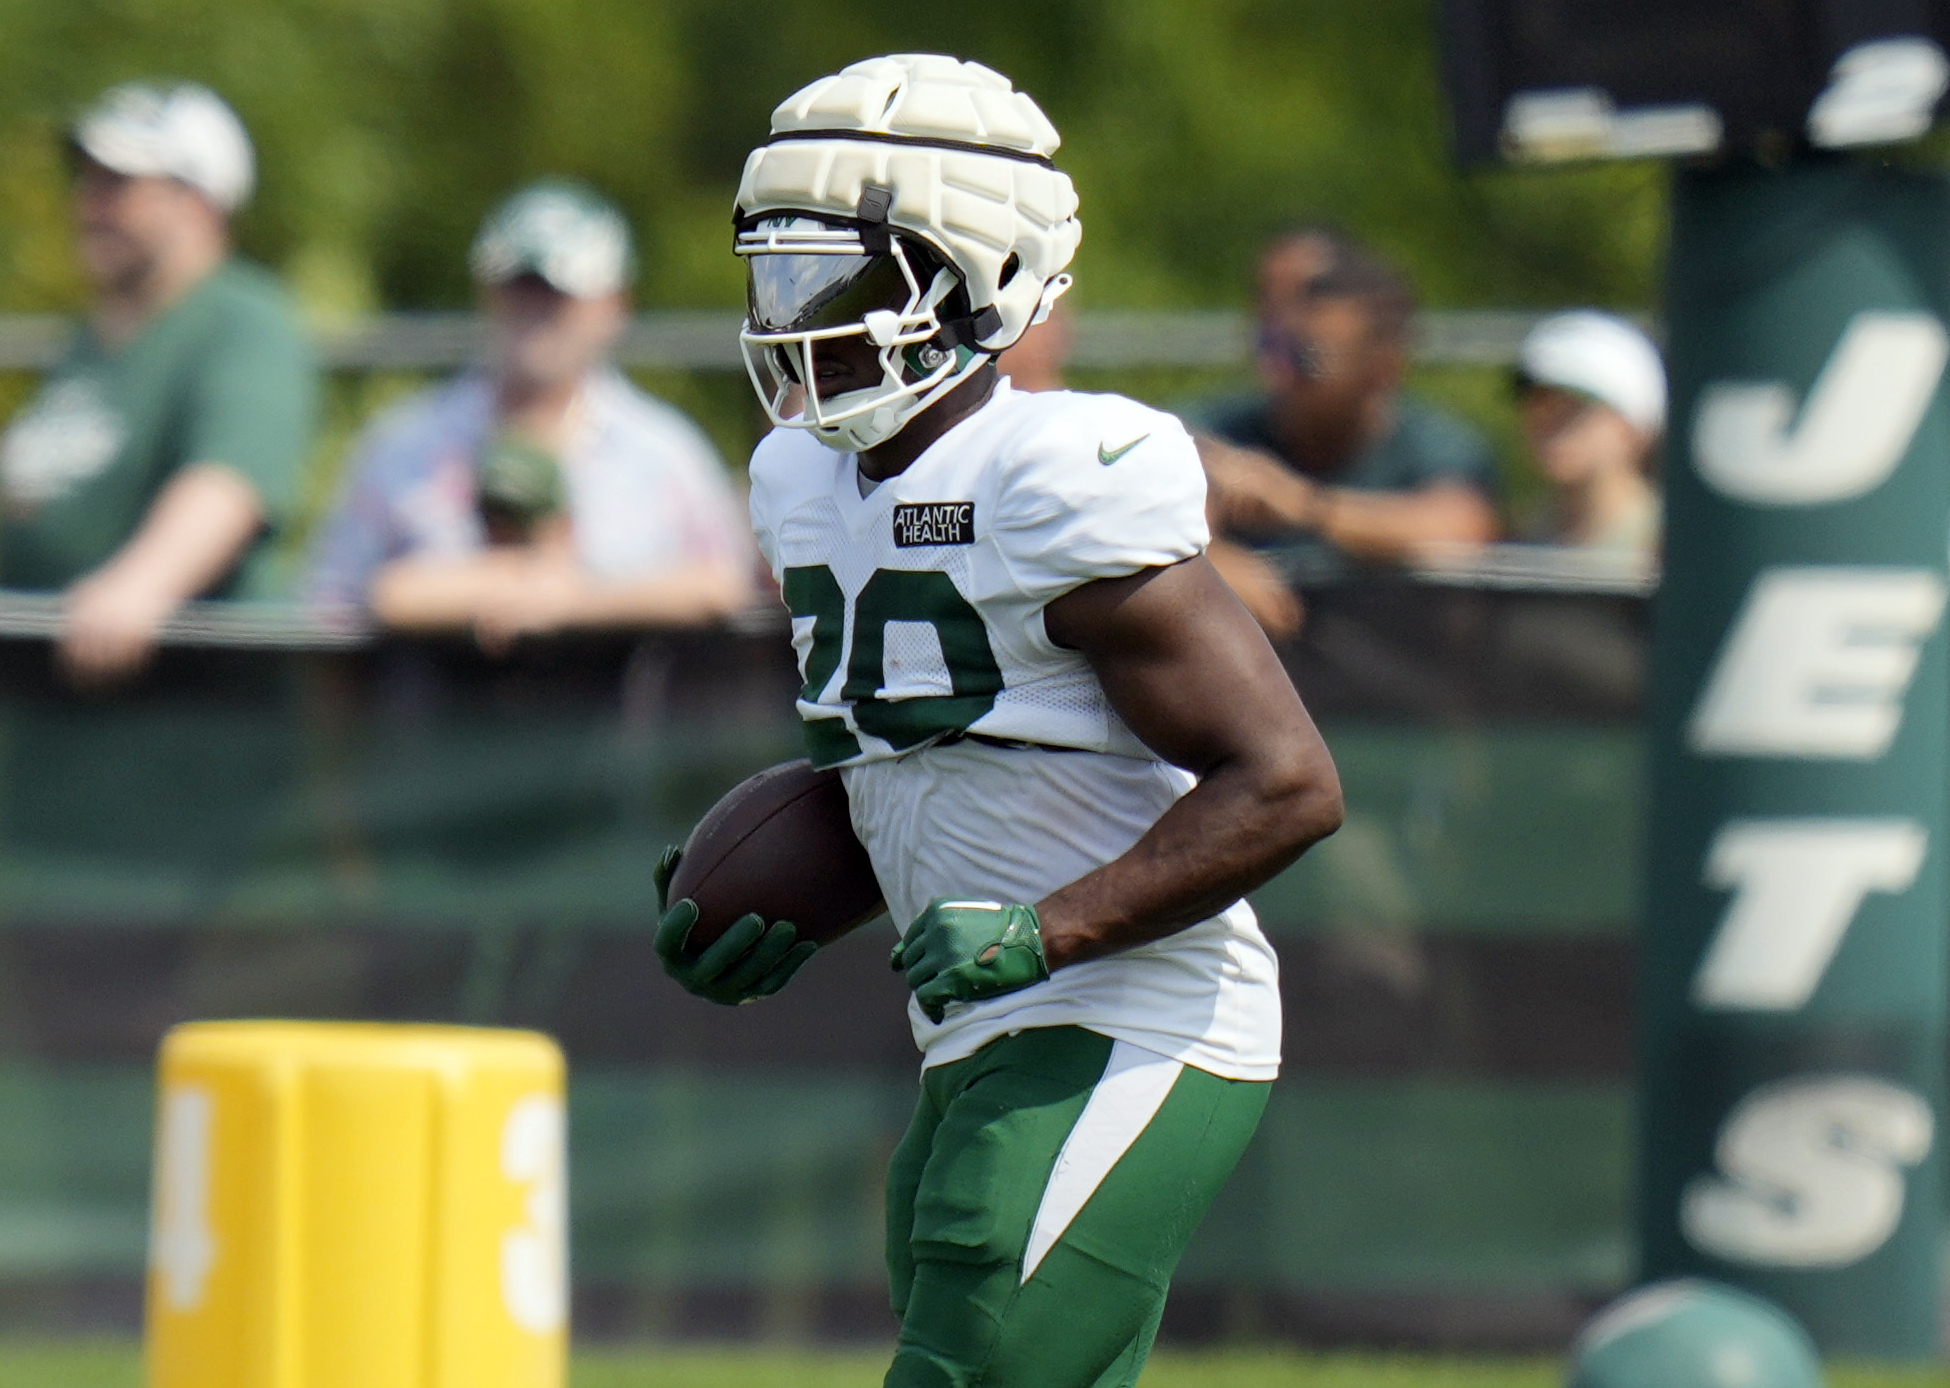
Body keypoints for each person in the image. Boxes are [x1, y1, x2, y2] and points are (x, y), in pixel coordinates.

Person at [651, 54, 1343, 1388]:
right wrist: (759, 888)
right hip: (977, 1029)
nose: (798, 322)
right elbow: (922, 756)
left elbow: (1285, 781)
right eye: (781, 279)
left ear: (982, 279)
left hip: (1137, 1014)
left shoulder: (1052, 474)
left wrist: (1048, 928)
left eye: (843, 280)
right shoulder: (798, 479)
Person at [305, 181, 755, 650]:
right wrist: (511, 587)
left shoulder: (664, 453)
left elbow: (727, 586)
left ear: (614, 304)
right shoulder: (400, 450)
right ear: (485, 293)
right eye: (519, 288)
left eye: (560, 294)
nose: (536, 312)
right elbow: (333, 609)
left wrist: (569, 600)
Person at [0, 82, 316, 686]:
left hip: (179, 716)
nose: (90, 204)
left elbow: (230, 483)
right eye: (87, 181)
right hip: (49, 712)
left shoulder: (241, 321)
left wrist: (141, 584)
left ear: (199, 202)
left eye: (118, 184)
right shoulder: (88, 344)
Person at [1189, 228, 1502, 636]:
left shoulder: (1434, 445)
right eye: (1275, 345)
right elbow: (1143, 511)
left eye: (1309, 357)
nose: (1280, 369)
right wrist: (1205, 564)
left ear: (1382, 367)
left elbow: (1460, 532)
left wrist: (1302, 504)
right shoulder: (1222, 429)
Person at [1513, 310, 1664, 554]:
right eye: (1539, 402)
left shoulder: (1671, 545)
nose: (1550, 422)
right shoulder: (1525, 538)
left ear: (1629, 427)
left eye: (1574, 409)